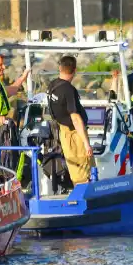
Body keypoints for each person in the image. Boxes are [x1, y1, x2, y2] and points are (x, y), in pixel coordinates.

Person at [47, 55, 94, 185]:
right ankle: (85, 198)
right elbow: (75, 118)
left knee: (75, 168)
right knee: (82, 170)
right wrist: (86, 143)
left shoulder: (52, 85)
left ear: (60, 68)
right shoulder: (68, 89)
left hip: (62, 131)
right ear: (74, 70)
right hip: (74, 134)